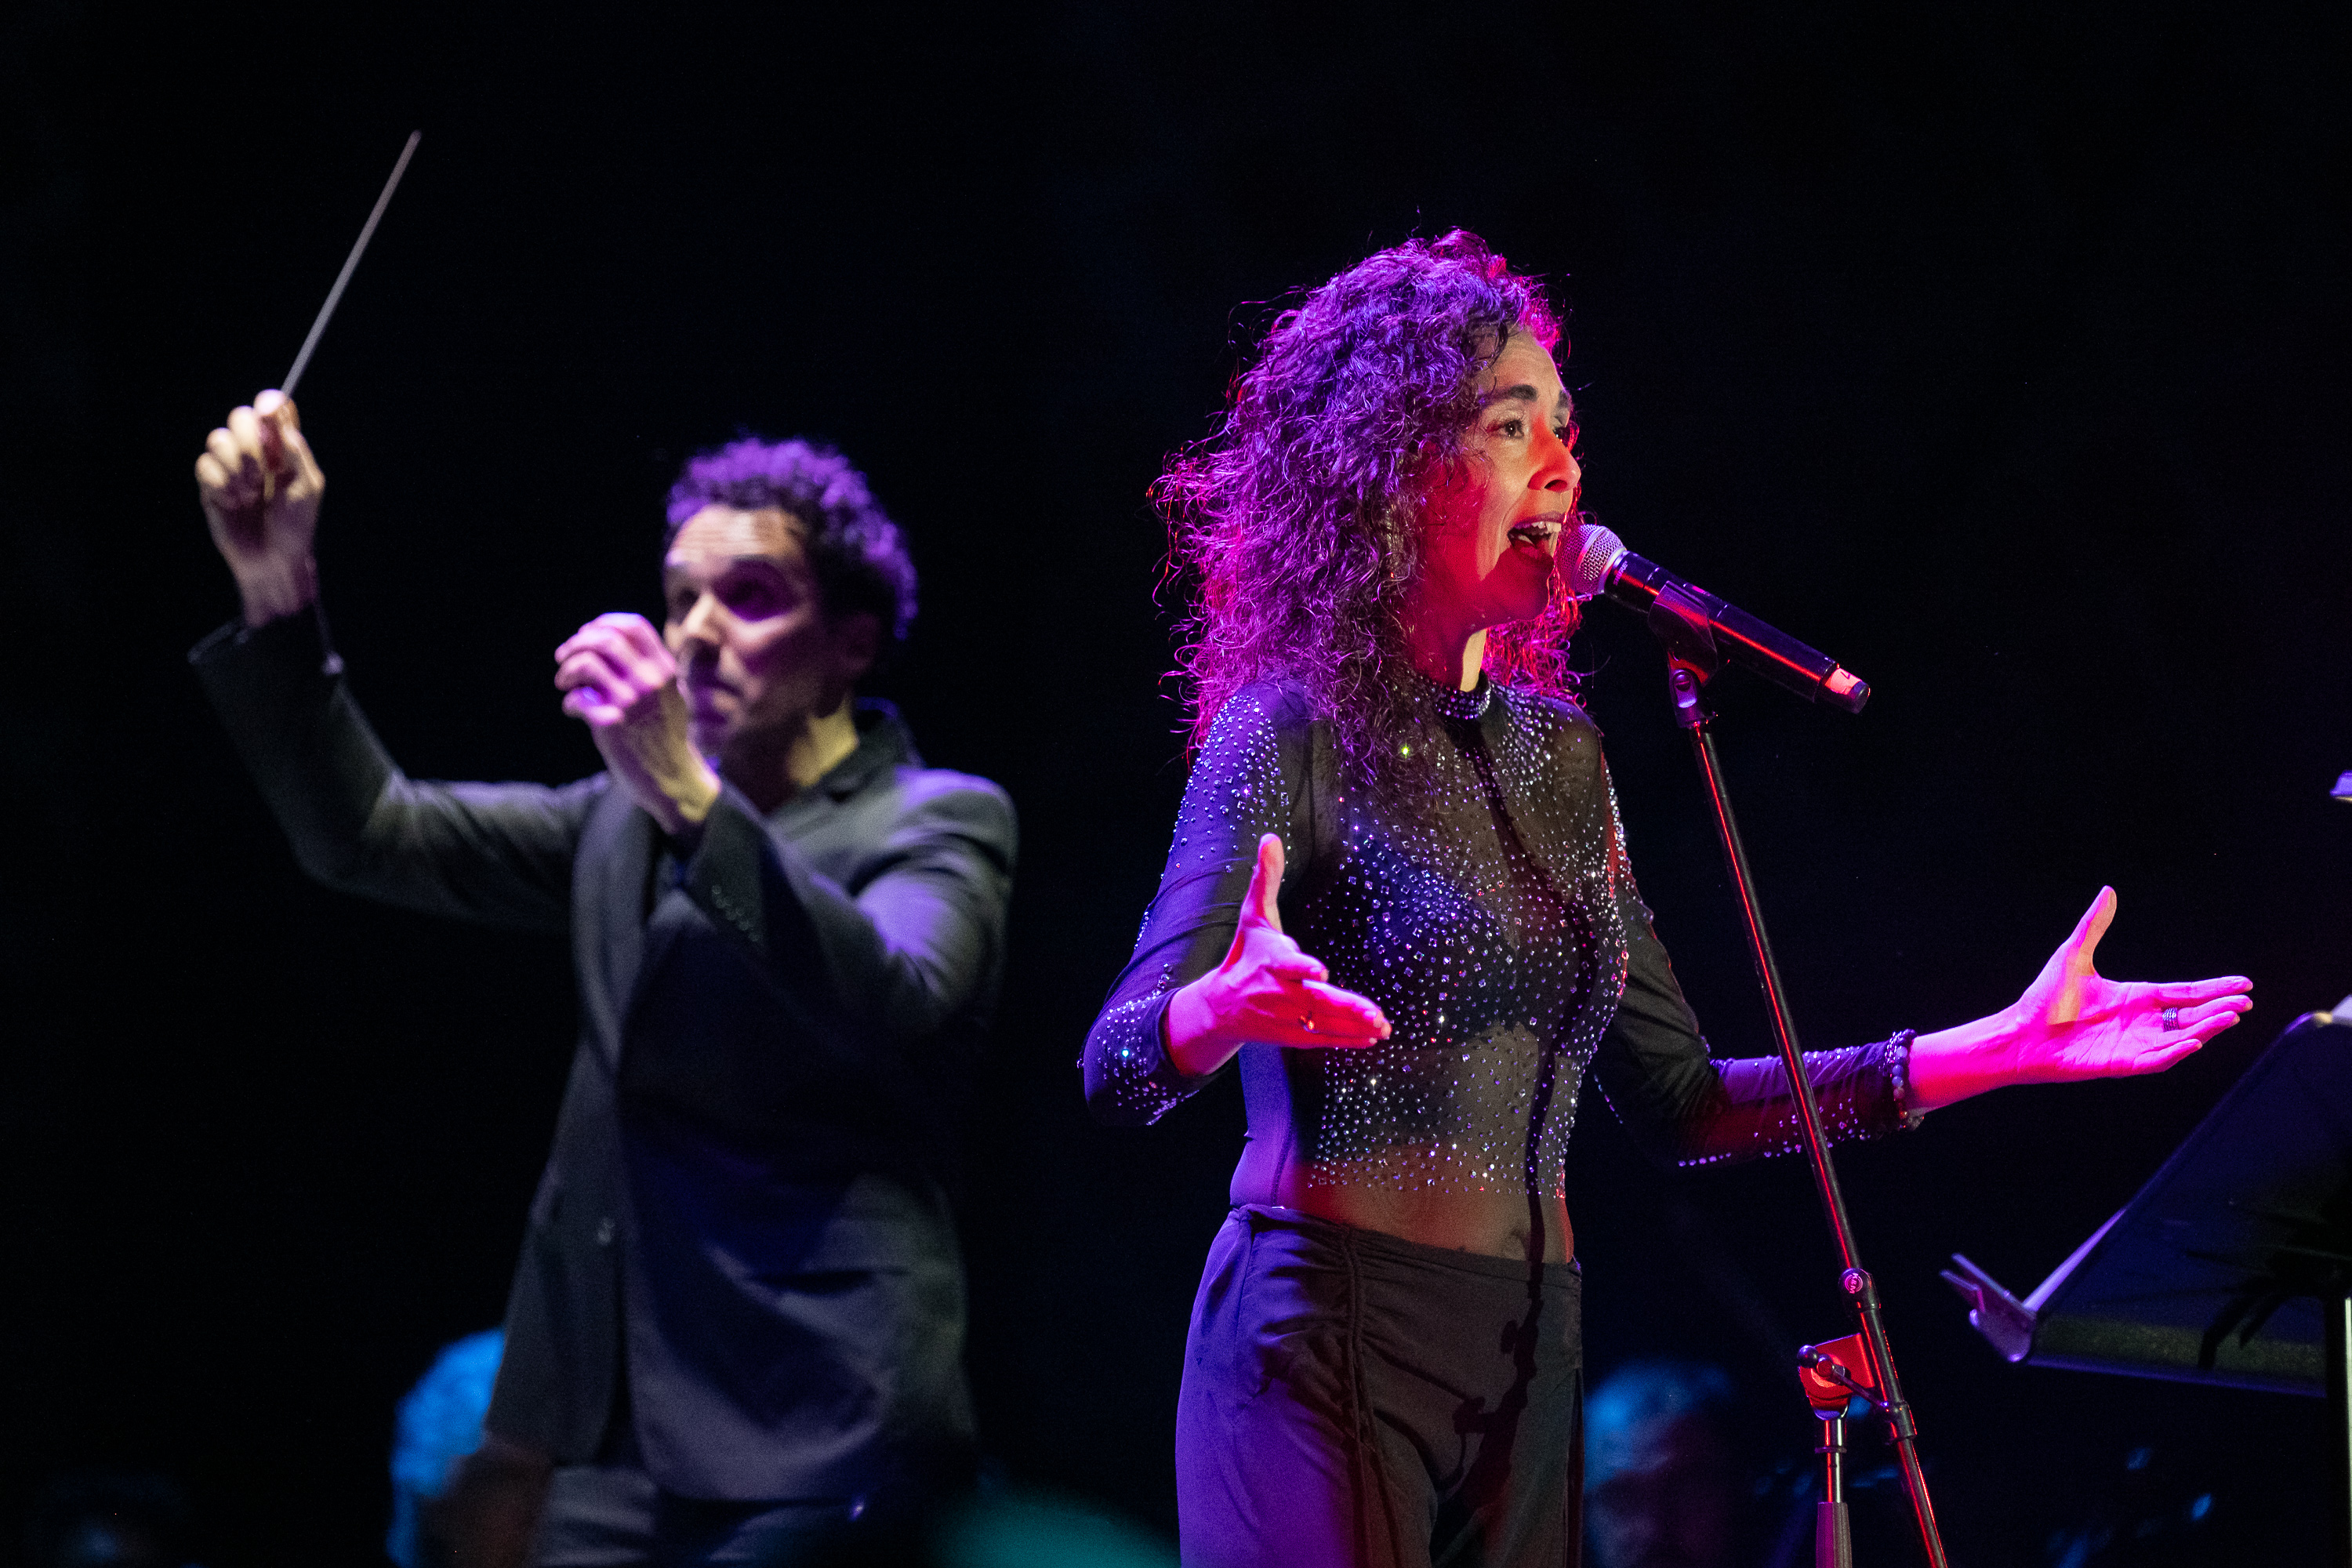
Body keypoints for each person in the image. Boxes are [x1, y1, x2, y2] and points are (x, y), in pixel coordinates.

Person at [1079, 230, 2252, 1568]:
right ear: (1393, 471)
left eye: (1567, 427)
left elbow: (1683, 1105)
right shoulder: (1287, 728)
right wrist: (1213, 1013)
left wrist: (1991, 1051)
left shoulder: (1560, 758)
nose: (1564, 465)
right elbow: (1114, 1063)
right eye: (1511, 427)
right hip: (1322, 1333)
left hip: (1530, 1340)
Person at [192, 400, 1017, 1566]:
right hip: (607, 1431)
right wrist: (279, 592)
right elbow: (370, 835)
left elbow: (898, 993)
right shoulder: (620, 824)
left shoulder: (937, 820)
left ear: (853, 644)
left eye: (753, 598)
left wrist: (687, 795)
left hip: (819, 1425)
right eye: (680, 598)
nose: (697, 634)